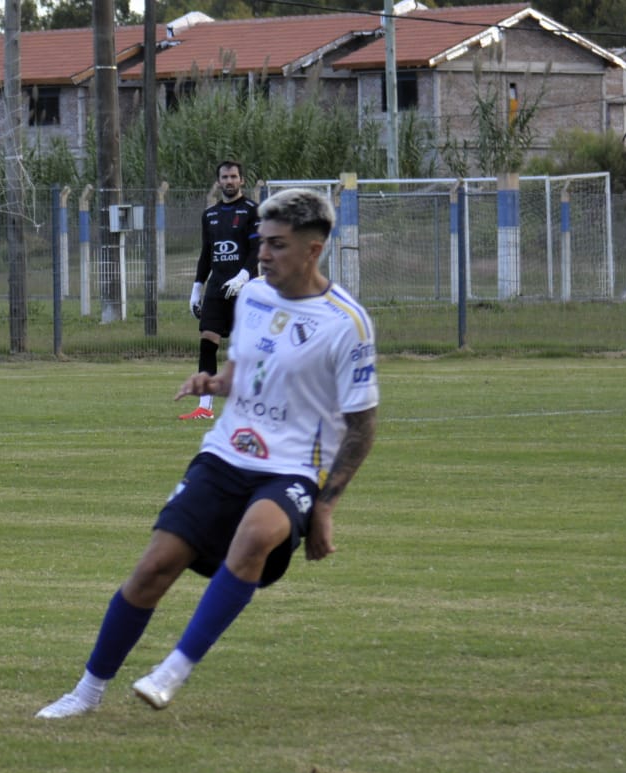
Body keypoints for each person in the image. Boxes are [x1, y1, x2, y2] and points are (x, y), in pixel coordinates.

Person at [37, 187, 378, 719]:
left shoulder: (346, 323)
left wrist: (327, 506)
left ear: (313, 250)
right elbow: (242, 371)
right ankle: (86, 692)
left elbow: (362, 426)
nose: (263, 254)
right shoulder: (255, 296)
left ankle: (171, 672)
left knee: (256, 536)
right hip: (226, 453)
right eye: (261, 242)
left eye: (277, 245)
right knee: (154, 566)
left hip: (291, 468)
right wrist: (214, 383)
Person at [182, 159, 259, 420]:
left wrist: (243, 276)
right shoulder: (210, 215)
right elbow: (207, 254)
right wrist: (197, 289)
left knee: (247, 348)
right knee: (207, 341)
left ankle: (252, 403)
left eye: (233, 176)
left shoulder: (252, 211)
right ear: (218, 182)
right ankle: (205, 406)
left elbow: (256, 249)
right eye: (225, 177)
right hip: (217, 287)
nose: (229, 181)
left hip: (245, 289)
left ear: (242, 180)